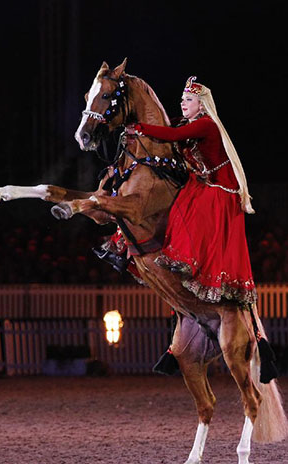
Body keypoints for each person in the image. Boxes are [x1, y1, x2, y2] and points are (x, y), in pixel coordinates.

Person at [96, 76, 257, 307]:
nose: (183, 103)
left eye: (189, 100)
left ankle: (184, 262)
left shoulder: (206, 124)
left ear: (201, 105)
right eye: (182, 99)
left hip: (219, 188)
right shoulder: (185, 121)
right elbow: (169, 130)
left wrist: (140, 128)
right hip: (201, 181)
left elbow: (173, 136)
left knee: (186, 209)